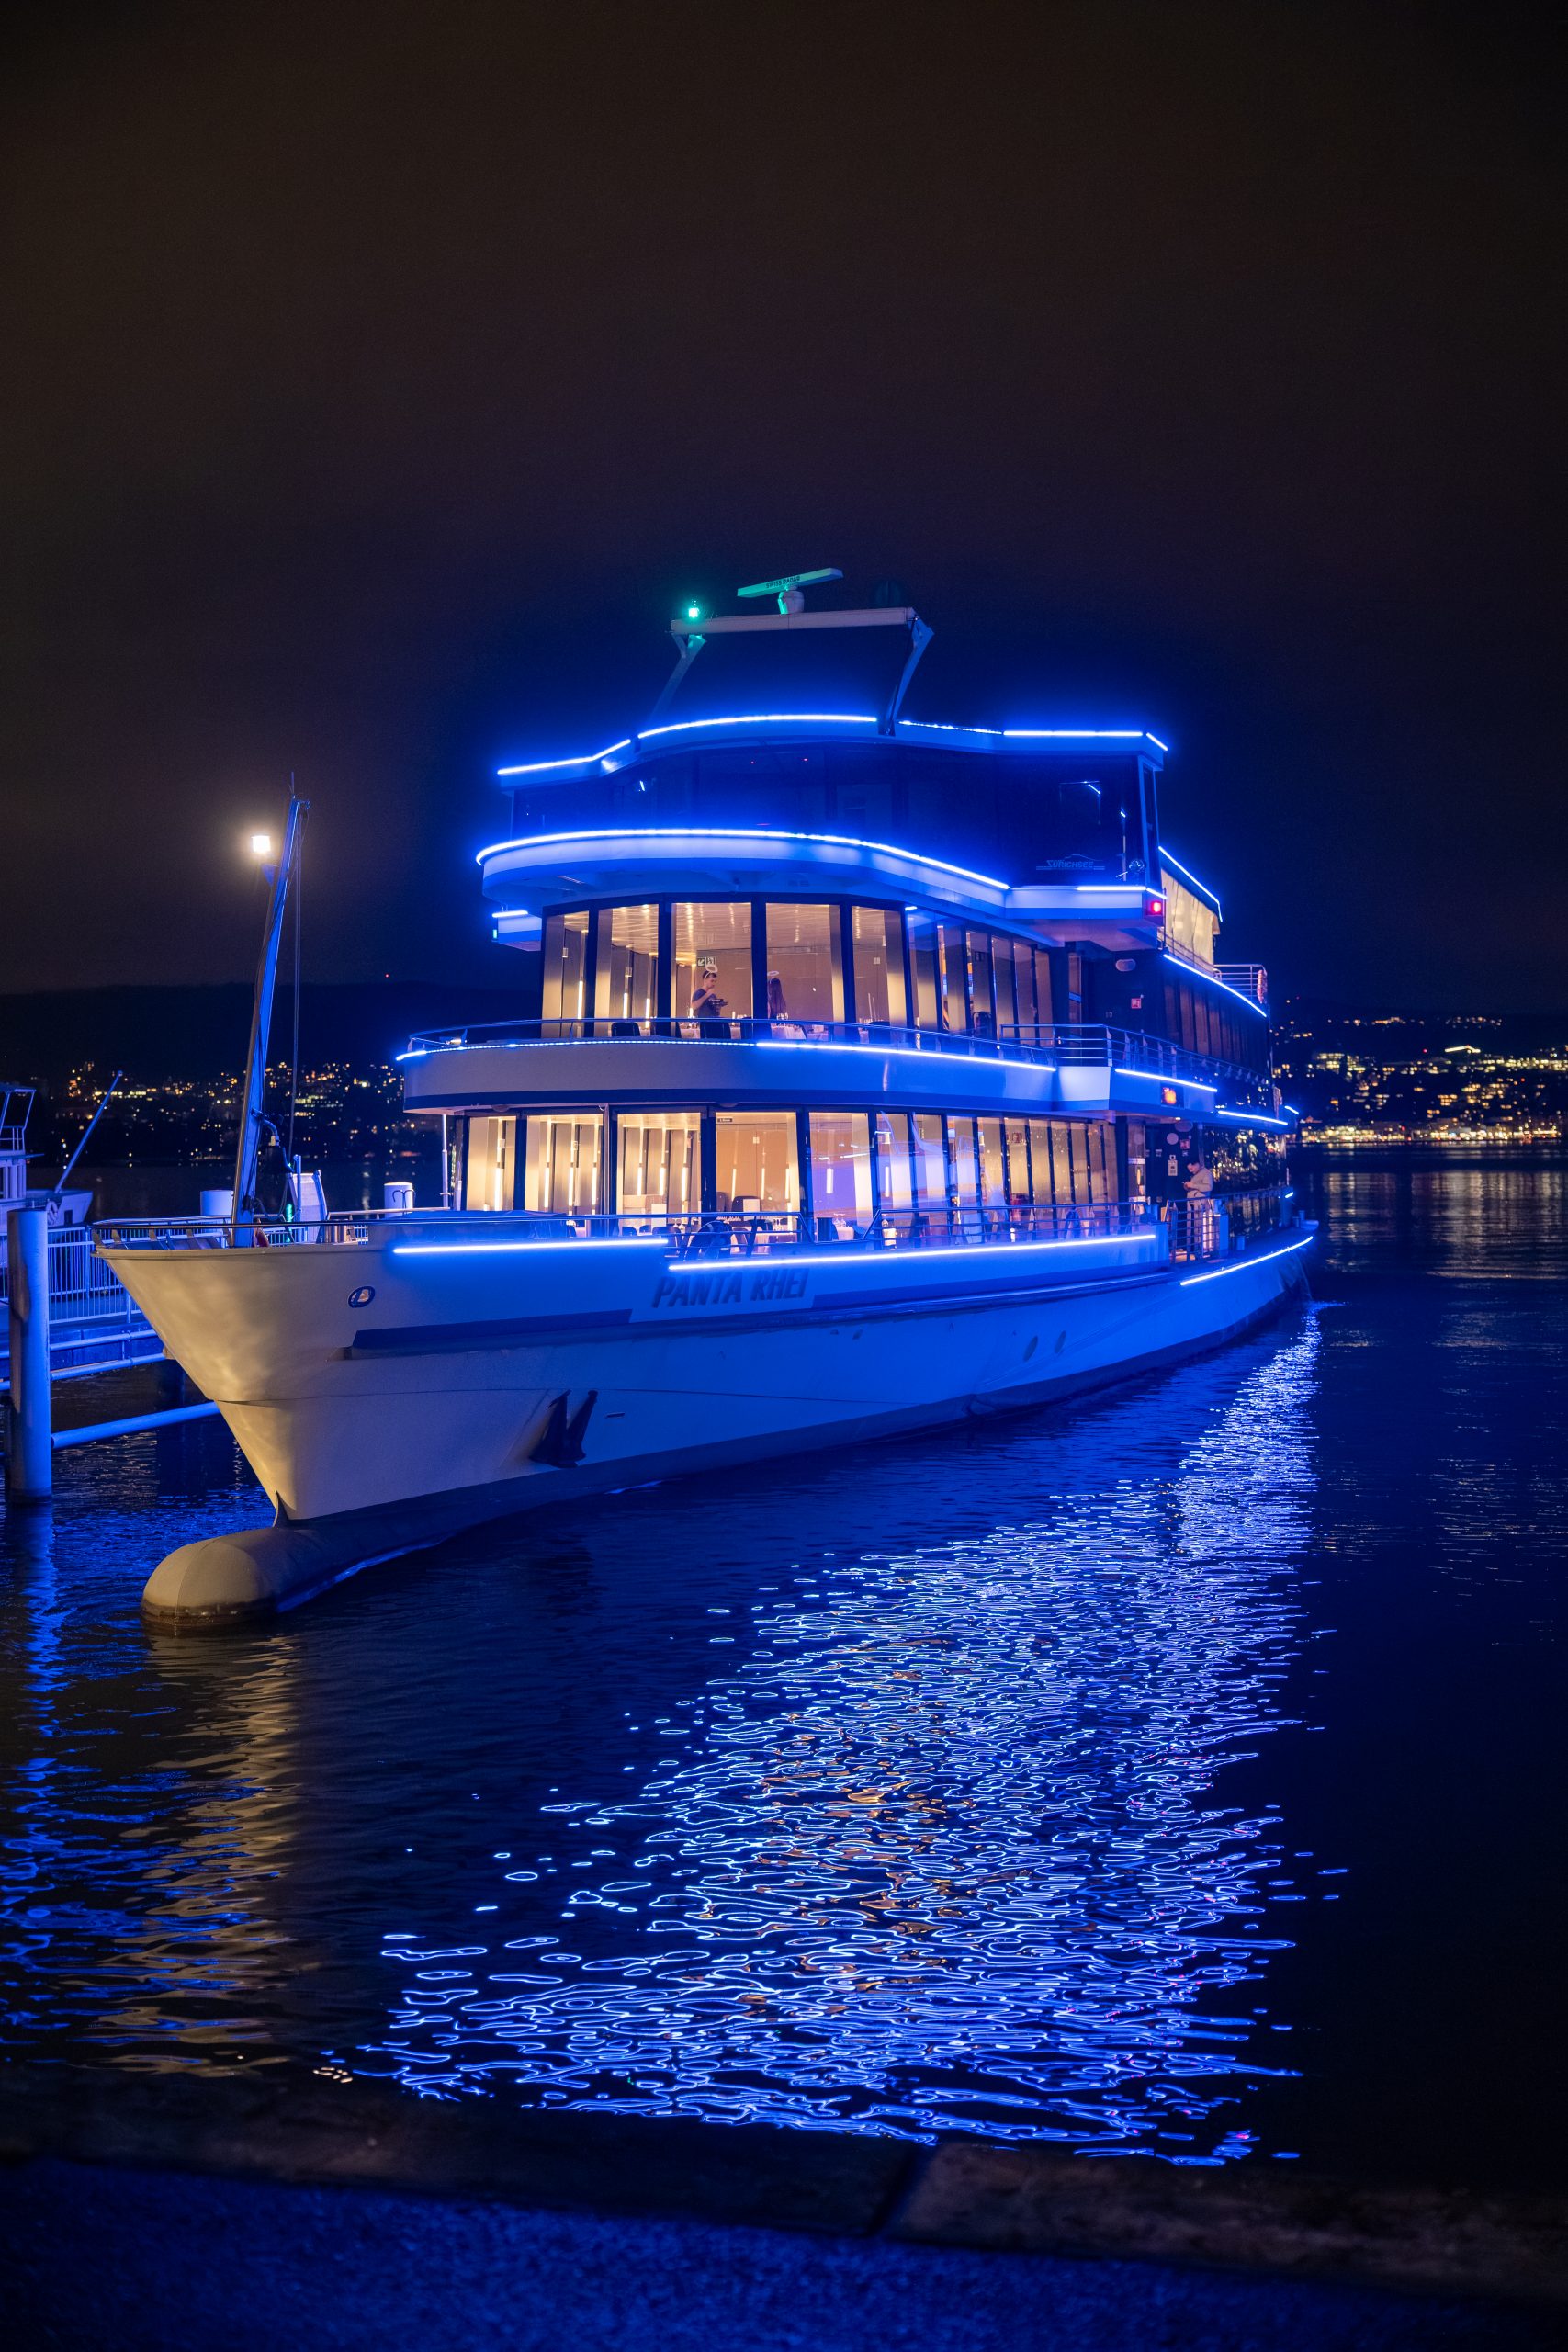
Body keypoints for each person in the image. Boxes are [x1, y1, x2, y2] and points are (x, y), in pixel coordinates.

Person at [690, 960, 727, 1037]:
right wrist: (707, 995)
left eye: (715, 981)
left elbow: (716, 1013)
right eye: (712, 981)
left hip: (714, 1024)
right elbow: (694, 1006)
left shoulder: (713, 995)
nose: (714, 983)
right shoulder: (699, 993)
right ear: (705, 980)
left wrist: (718, 1008)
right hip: (704, 1026)